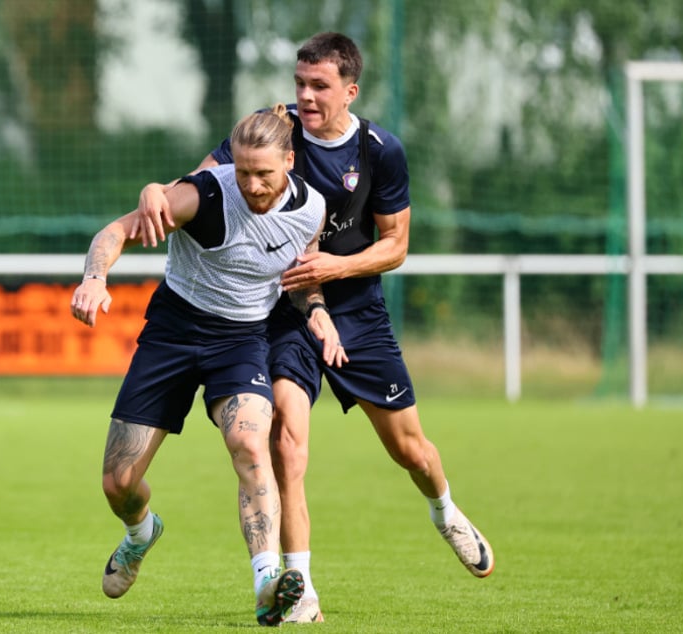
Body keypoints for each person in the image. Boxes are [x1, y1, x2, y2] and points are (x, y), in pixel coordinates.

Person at [133, 32, 494, 624]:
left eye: (319, 85)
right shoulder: (272, 134)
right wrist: (155, 192)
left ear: (350, 90)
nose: (305, 96)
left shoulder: (382, 151)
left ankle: (444, 509)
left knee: (411, 450)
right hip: (284, 313)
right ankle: (298, 586)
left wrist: (336, 266)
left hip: (358, 313)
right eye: (300, 83)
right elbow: (198, 186)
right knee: (284, 441)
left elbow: (396, 245)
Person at [71, 105, 349, 627]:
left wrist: (316, 311)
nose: (251, 184)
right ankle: (141, 532)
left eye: (264, 173)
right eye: (242, 171)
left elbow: (302, 271)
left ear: (290, 161)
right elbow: (115, 233)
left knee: (250, 442)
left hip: (242, 338)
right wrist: (94, 279)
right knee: (117, 483)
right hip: (174, 332)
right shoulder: (204, 195)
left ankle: (268, 583)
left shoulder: (312, 208)